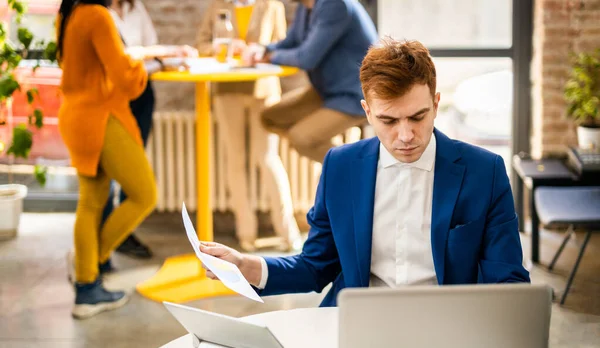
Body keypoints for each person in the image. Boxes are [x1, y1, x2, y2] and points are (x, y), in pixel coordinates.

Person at [199, 38, 530, 307]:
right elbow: (316, 266)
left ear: (436, 103)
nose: (405, 136)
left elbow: (509, 280)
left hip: (447, 327)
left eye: (418, 117)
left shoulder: (484, 172)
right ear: (367, 112)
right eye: (389, 120)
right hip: (355, 324)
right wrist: (246, 266)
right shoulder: (340, 166)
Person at [58, 0, 157, 318]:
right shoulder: (99, 16)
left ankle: (87, 287)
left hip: (75, 115)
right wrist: (139, 60)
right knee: (144, 195)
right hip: (102, 117)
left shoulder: (69, 14)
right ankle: (86, 265)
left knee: (91, 202)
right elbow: (126, 80)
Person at [196, 0, 302, 251]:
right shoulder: (217, 7)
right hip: (226, 90)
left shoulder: (271, 7)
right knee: (235, 160)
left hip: (263, 90)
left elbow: (283, 48)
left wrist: (259, 51)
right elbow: (200, 45)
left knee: (266, 159)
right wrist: (221, 48)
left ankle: (288, 232)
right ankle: (246, 232)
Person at [256, 0, 378, 163]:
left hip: (354, 95)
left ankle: (362, 169)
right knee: (270, 118)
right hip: (326, 90)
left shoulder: (336, 5)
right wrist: (262, 50)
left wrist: (271, 57)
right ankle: (342, 156)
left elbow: (306, 58)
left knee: (302, 139)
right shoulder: (305, 7)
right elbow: (290, 43)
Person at [98, 0, 158, 265]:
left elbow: (153, 51)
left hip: (141, 93)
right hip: (112, 100)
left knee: (134, 179)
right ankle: (97, 256)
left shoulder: (136, 8)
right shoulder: (96, 14)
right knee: (104, 181)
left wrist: (143, 61)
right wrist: (143, 60)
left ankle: (119, 235)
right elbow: (117, 66)